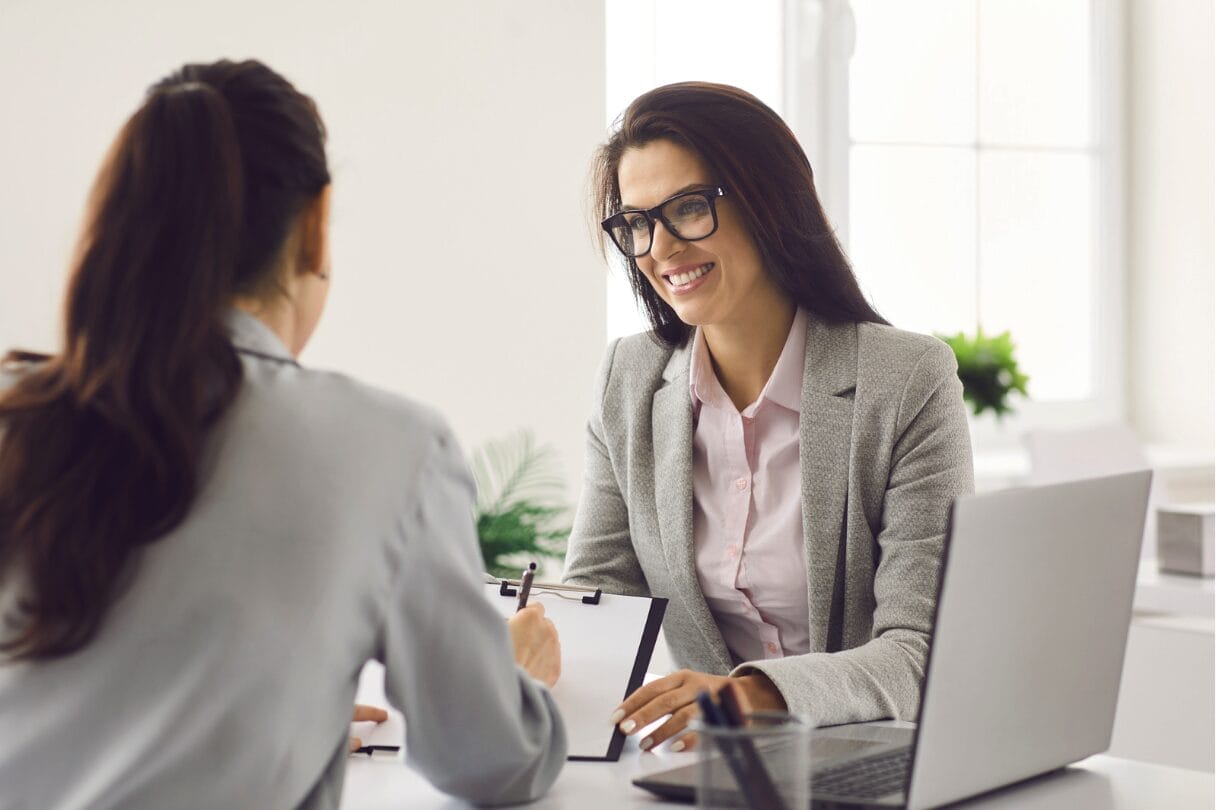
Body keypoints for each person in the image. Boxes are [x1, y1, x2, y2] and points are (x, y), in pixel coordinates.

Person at [0, 59, 565, 807]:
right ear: (316, 226)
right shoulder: (391, 448)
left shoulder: (18, 414)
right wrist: (509, 674)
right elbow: (489, 760)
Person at [562, 82, 974, 752]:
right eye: (636, 223)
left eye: (689, 208)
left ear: (769, 201)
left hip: (879, 761)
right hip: (723, 772)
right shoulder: (628, 381)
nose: (660, 249)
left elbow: (921, 650)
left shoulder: (906, 381)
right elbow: (599, 606)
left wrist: (753, 695)